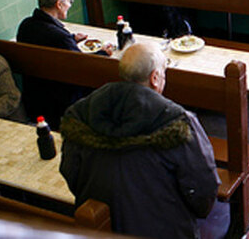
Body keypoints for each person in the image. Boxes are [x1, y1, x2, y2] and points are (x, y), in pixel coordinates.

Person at [59, 41, 220, 238]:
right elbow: (203, 187)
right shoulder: (178, 123)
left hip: (102, 227)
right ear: (155, 78)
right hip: (166, 229)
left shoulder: (82, 113)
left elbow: (70, 172)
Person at [17, 0, 112, 129]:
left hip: (34, 94)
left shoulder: (26, 25)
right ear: (59, 4)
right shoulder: (60, 38)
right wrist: (103, 53)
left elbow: (45, 39)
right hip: (60, 100)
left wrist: (71, 38)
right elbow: (83, 66)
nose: (70, 4)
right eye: (69, 1)